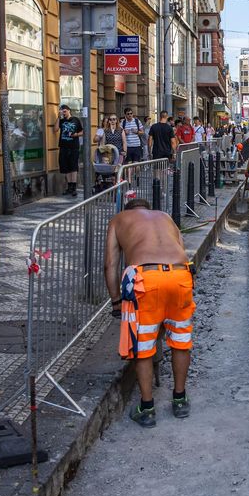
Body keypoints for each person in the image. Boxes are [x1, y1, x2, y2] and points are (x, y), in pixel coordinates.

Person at [105, 198, 195, 427]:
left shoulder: (119, 220)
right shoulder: (165, 217)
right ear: (147, 208)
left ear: (130, 211)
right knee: (181, 340)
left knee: (143, 347)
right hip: (180, 274)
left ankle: (146, 408)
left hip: (146, 279)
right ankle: (180, 399)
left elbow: (110, 265)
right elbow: (182, 248)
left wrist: (116, 301)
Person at [57, 105, 84, 195]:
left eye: (64, 111)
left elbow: (82, 132)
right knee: (66, 167)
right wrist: (58, 118)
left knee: (73, 166)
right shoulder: (61, 120)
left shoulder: (75, 120)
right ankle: (69, 187)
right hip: (63, 146)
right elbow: (55, 129)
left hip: (73, 147)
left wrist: (76, 134)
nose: (63, 113)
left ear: (69, 111)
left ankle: (74, 187)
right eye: (62, 112)